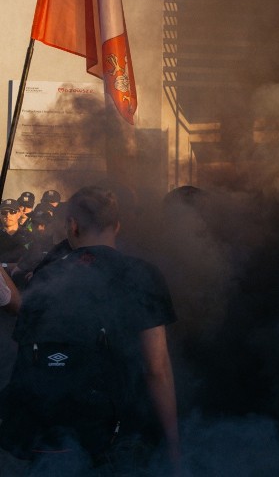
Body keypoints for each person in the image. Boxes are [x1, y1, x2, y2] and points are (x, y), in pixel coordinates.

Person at [0, 186, 180, 473]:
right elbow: (156, 369)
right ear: (117, 225)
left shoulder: (47, 276)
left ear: (72, 225)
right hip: (118, 439)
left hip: (52, 440)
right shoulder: (142, 275)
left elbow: (23, 353)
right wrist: (173, 444)